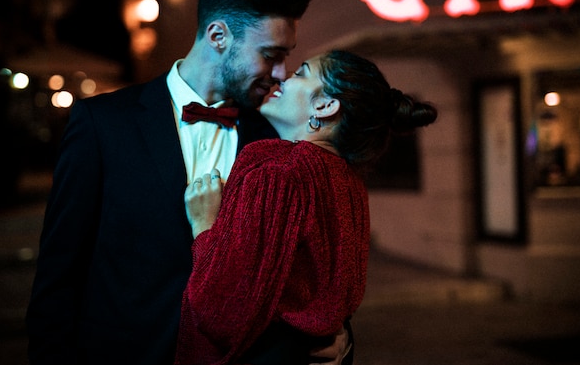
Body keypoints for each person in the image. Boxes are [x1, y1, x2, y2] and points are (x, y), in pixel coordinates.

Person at [26, 0, 350, 365]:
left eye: (286, 57)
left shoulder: (278, 135)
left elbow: (315, 267)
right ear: (218, 35)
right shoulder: (103, 124)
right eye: (271, 54)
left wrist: (340, 339)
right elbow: (59, 275)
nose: (281, 73)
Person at [175, 50, 438, 364]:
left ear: (325, 105)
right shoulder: (349, 184)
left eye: (300, 73)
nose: (282, 78)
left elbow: (219, 312)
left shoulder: (277, 173)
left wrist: (204, 225)